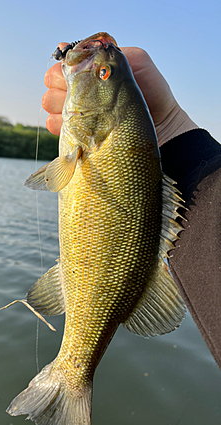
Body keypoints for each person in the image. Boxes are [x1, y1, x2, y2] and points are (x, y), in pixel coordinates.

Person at [42, 44, 221, 369]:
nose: (98, 63)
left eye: (103, 73)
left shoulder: (94, 139)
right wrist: (171, 126)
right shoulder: (99, 134)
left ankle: (72, 372)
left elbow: (53, 178)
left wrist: (167, 126)